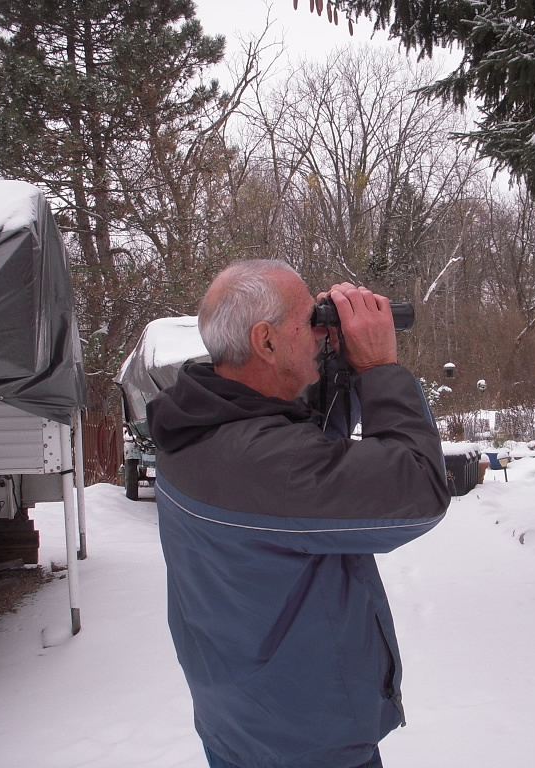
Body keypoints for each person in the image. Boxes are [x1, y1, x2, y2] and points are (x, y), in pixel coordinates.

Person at [147, 259, 450, 768]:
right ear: (265, 342)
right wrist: (379, 370)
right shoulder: (262, 460)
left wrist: (333, 365)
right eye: (309, 320)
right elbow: (418, 490)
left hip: (243, 718)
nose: (319, 330)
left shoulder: (197, 421)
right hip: (305, 743)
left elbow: (308, 460)